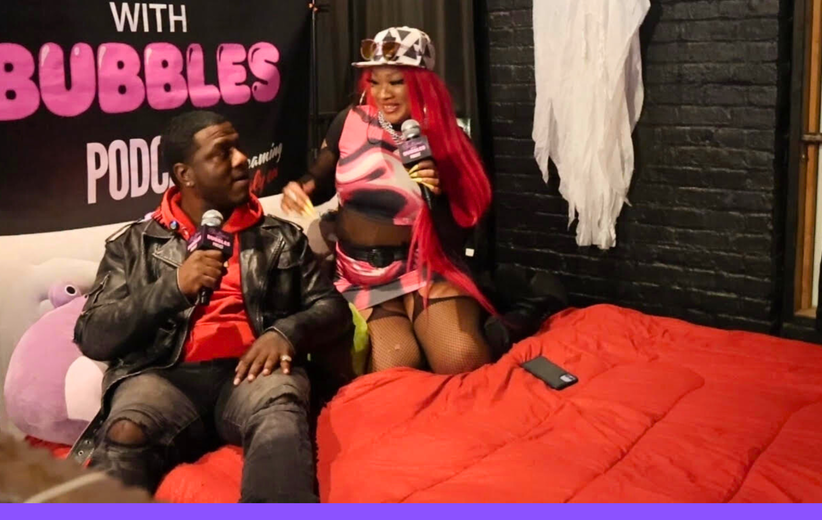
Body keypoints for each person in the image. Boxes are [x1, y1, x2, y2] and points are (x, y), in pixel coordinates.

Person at [69, 111, 351, 502]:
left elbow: (333, 309)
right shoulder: (133, 245)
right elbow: (93, 335)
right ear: (185, 174)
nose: (241, 159)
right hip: (164, 377)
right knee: (125, 429)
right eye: (222, 153)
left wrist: (286, 333)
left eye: (238, 147)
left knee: (279, 408)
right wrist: (173, 288)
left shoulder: (280, 238)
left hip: (251, 374)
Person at [282, 26, 504, 374]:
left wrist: (437, 195)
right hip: (360, 274)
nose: (383, 93)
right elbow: (321, 178)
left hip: (425, 267)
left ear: (421, 83)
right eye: (375, 82)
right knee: (395, 365)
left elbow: (457, 235)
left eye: (396, 82)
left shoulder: (447, 137)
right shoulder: (350, 121)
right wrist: (303, 186)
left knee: (461, 357)